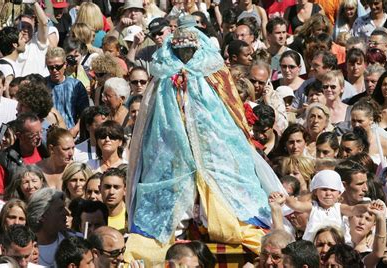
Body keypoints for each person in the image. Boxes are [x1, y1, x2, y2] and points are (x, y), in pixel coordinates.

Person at [127, 15, 281, 258]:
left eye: (189, 49)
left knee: (223, 190)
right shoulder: (163, 75)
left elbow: (230, 109)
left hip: (212, 144)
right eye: (181, 50)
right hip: (172, 144)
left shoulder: (214, 71)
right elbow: (152, 116)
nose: (185, 55)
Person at [0, 113, 49, 192]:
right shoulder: (5, 160)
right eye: (33, 135)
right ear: (19, 136)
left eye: (41, 131)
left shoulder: (46, 153)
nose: (40, 137)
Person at [45, 47, 89, 133]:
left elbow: (85, 113)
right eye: (50, 67)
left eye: (58, 67)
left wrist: (75, 129)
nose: (54, 70)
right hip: (48, 133)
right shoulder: (42, 85)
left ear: (65, 64)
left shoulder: (76, 85)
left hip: (71, 132)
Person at [27, 188, 68, 267]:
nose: (66, 212)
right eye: (60, 209)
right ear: (42, 215)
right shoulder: (24, 251)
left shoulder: (74, 240)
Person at [99, 168, 126, 233]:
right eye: (107, 187)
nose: (111, 192)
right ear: (99, 188)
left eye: (116, 187)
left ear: (125, 190)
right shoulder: (92, 218)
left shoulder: (131, 219)